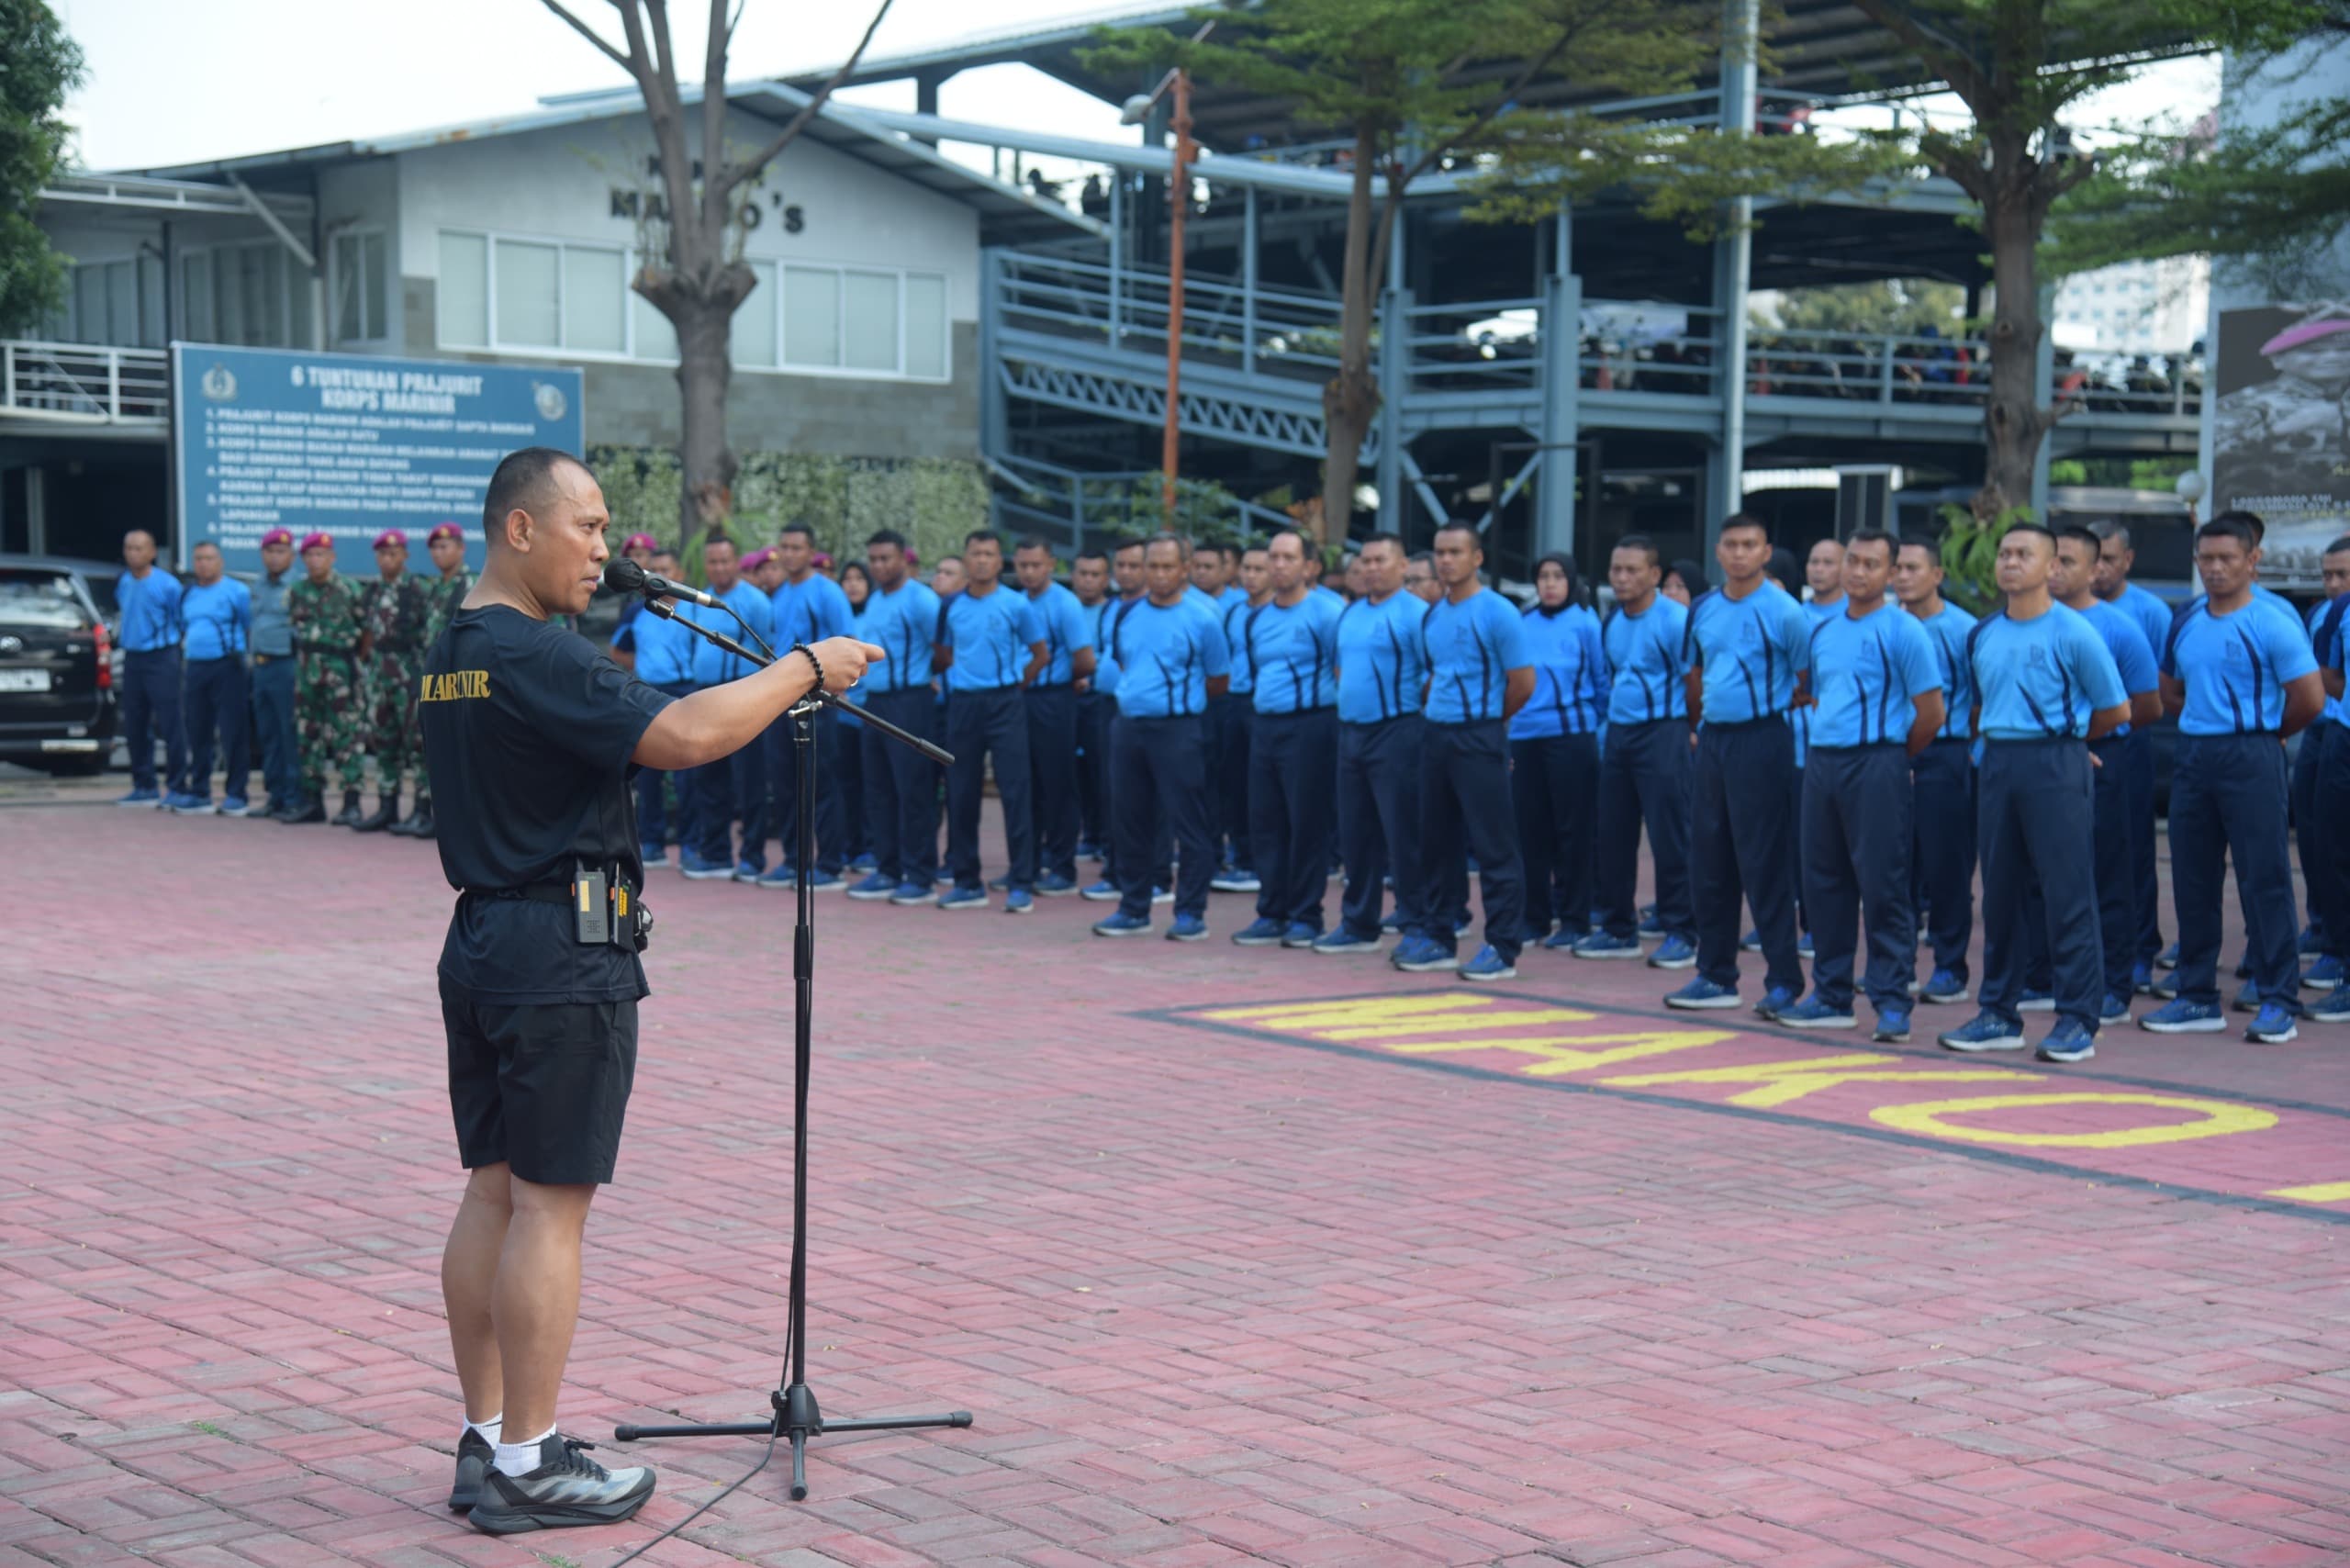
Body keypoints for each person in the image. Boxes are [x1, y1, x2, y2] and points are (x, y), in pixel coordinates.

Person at [419, 445, 878, 1536]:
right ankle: (530, 1463)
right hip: (558, 949)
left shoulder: (455, 646)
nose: (604, 549)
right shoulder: (536, 649)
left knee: (494, 1192)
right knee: (547, 1204)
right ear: (519, 529)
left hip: (484, 936)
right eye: (586, 526)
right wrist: (804, 668)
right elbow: (684, 734)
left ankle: (487, 1439)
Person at [1938, 524, 2130, 1062]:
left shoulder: (2074, 632)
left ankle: (2078, 1019)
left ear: (2052, 568)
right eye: (2005, 553)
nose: (2010, 562)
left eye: (2024, 554)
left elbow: (2116, 709)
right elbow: (1981, 704)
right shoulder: (1982, 633)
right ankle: (1999, 1012)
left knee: (2067, 893)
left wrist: (2069, 744)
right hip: (1998, 761)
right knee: (2000, 892)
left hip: (2056, 763)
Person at [2140, 513, 2326, 1045]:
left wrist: (2265, 733)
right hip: (2195, 756)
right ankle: (2197, 995)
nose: (2215, 568)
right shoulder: (2187, 619)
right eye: (2207, 559)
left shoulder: (2273, 621)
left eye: (2227, 558)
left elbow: (2309, 699)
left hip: (2252, 754)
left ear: (2252, 560)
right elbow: (2168, 690)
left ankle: (2278, 1000)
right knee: (2193, 877)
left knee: (2263, 878)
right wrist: (2209, 721)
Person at [1774, 530, 1943, 1037]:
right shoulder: (1822, 631)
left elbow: (1931, 713)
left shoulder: (1904, 630)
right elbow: (1818, 694)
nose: (1859, 571)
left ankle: (1892, 1001)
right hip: (1822, 764)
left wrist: (1891, 757)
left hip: (1877, 763)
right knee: (1823, 882)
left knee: (1883, 884)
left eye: (1872, 564)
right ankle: (1831, 995)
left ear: (1890, 574)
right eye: (1853, 560)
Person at [1671, 513, 1810, 1010]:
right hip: (1713, 741)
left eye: (1750, 545)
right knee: (1709, 859)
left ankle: (1784, 980)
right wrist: (1701, 725)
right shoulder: (1703, 607)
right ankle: (1715, 975)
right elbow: (1695, 672)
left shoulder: (1786, 611)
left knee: (1764, 863)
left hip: (1763, 740)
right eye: (1731, 544)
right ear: (1718, 551)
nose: (1739, 553)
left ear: (1766, 553)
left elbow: (1807, 679)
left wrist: (1766, 708)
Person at [1401, 522, 1536, 980]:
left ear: (1477, 558)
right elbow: (1436, 674)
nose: (1445, 560)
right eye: (1440, 552)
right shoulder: (1433, 615)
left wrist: (1489, 724)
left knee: (1494, 844)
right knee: (1436, 842)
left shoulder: (1499, 612)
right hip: (1435, 736)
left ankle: (1502, 946)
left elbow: (1523, 683)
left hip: (1479, 735)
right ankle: (1439, 936)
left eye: (1455, 552)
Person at [2051, 526, 2165, 1027]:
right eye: (2050, 560)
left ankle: (2116, 981)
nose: (2055, 570)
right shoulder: (2021, 623)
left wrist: (2087, 739)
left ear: (2094, 568)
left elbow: (2147, 705)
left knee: (2111, 868)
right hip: (2043, 760)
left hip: (2108, 755)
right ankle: (2045, 975)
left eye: (2067, 561)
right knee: (2044, 871)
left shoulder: (2119, 627)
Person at [1092, 534, 1230, 940]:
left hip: (1178, 730)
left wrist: (1178, 704)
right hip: (1128, 727)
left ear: (1184, 569)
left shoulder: (1203, 618)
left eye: (1168, 566)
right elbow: (1126, 664)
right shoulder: (1125, 614)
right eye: (1152, 566)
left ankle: (1190, 913)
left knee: (1188, 822)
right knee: (1129, 820)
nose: (1159, 574)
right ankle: (1133, 908)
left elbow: (1219, 679)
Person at [1576, 536, 1694, 965]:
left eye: (1632, 570)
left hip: (1664, 732)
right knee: (1613, 834)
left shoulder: (1675, 620)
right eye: (1616, 569)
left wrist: (1690, 730)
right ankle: (1618, 928)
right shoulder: (1612, 620)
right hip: (1620, 735)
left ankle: (1682, 930)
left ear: (1654, 575)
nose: (1621, 578)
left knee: (1670, 836)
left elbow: (1694, 680)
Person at [1230, 529, 1340, 948]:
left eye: (1287, 558)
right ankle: (1271, 911)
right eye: (1272, 557)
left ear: (1308, 566)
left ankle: (1306, 915)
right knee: (1265, 821)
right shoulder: (1255, 618)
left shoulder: (1326, 613)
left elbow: (1339, 671)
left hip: (1310, 726)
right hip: (1264, 725)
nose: (1277, 565)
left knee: (1306, 821)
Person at [1326, 535, 1432, 951]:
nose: (1371, 568)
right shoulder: (1350, 613)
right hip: (1351, 733)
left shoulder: (1416, 613)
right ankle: (1359, 923)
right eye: (1365, 561)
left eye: (1380, 560)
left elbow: (1433, 673)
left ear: (1402, 565)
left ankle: (1417, 922)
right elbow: (1340, 668)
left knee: (1404, 834)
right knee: (1356, 834)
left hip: (1398, 732)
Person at [936, 529, 1049, 912]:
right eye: (976, 554)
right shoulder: (952, 606)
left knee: (1016, 791)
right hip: (964, 704)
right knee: (961, 791)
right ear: (966, 559)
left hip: (1006, 702)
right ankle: (966, 881)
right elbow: (944, 653)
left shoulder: (1016, 605)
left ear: (1000, 562)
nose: (982, 560)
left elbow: (1040, 654)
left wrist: (1016, 685)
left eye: (989, 554)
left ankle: (1021, 881)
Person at [2090, 520, 2177, 988]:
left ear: (2127, 560)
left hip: (2130, 739)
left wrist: (2122, 730)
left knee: (2133, 847)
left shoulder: (2150, 612)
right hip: (2074, 745)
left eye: (2108, 559)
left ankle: (2141, 948)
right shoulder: (2062, 611)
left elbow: (2160, 688)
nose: (2099, 568)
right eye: (2093, 559)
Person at [1893, 537, 1978, 1004]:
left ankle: (1950, 967)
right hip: (1892, 755)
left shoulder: (1963, 630)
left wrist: (1969, 751)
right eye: (1897, 568)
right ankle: (1898, 964)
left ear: (1937, 575)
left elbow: (1979, 698)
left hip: (1946, 755)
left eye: (1913, 568)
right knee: (1895, 866)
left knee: (1947, 867)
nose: (1903, 577)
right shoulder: (1888, 624)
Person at [1509, 553, 1606, 953]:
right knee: (1530, 832)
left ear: (1572, 580)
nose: (1549, 584)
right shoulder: (1522, 623)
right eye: (1543, 576)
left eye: (1557, 576)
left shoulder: (1586, 623)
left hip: (1571, 737)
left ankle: (1575, 919)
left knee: (1574, 831)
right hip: (1524, 737)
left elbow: (1601, 682)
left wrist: (1591, 726)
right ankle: (1534, 917)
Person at [845, 531, 945, 904]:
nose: (879, 565)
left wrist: (926, 680)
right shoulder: (874, 600)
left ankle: (920, 875)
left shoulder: (922, 600)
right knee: (878, 789)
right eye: (874, 559)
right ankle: (887, 869)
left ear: (903, 558)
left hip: (911, 700)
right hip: (875, 702)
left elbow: (943, 652)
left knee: (913, 789)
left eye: (886, 558)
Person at [674, 536, 776, 881]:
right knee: (708, 777)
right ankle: (715, 853)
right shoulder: (699, 600)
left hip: (743, 695)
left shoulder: (755, 601)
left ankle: (752, 857)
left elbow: (768, 650)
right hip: (705, 695)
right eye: (713, 562)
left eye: (724, 561)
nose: (718, 568)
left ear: (736, 561)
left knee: (749, 780)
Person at [762, 523, 857, 890]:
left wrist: (837, 691)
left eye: (796, 547)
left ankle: (830, 865)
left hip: (818, 701)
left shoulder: (827, 592)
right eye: (784, 547)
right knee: (786, 785)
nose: (789, 554)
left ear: (811, 552)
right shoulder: (780, 593)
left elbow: (848, 643)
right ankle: (793, 862)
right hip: (781, 698)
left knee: (822, 785)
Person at [1015, 535, 1096, 896]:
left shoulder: (1065, 604)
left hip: (1055, 699)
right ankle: (1028, 865)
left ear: (1051, 564)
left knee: (1058, 783)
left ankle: (1063, 867)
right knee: (1026, 784)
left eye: (1036, 565)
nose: (1029, 572)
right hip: (1021, 699)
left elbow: (1086, 661)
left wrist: (1061, 680)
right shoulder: (1016, 602)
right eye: (1023, 565)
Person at [390, 521, 478, 839]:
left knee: (458, 749)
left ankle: (454, 819)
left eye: (445, 546)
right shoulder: (433, 589)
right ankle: (423, 811)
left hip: (458, 680)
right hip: (430, 678)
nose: (439, 553)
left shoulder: (472, 586)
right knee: (424, 745)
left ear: (461, 548)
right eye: (435, 548)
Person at [352, 530, 435, 833]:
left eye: (393, 553)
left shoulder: (418, 589)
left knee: (417, 744)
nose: (387, 559)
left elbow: (429, 634)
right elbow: (367, 633)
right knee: (383, 742)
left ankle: (422, 810)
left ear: (404, 555)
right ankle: (387, 808)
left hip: (410, 676)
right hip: (379, 677)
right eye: (382, 554)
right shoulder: (372, 591)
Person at [285, 532, 369, 826]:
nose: (315, 560)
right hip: (308, 672)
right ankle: (313, 802)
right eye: (310, 555)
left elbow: (367, 631)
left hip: (341, 672)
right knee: (308, 737)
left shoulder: (350, 589)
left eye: (321, 555)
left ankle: (351, 803)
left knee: (347, 735)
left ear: (332, 558)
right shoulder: (297, 591)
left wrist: (355, 662)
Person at [173, 541, 253, 815]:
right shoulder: (188, 594)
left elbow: (248, 624)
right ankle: (200, 792)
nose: (203, 564)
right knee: (197, 730)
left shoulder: (237, 591)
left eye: (209, 558)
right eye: (198, 559)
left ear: (220, 562)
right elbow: (183, 626)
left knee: (233, 730)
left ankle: (237, 793)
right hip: (196, 666)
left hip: (228, 665)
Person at [1210, 546, 1271, 895]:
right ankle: (1242, 855)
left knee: (1264, 786)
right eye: (1246, 568)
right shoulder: (1234, 612)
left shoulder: (1281, 612)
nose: (1251, 576)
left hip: (1266, 705)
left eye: (1259, 569)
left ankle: (1262, 860)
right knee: (1233, 782)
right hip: (1234, 702)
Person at [2306, 547, 2350, 1024]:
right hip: (2345, 739)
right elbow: (2330, 676)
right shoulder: (2340, 611)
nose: (2335, 582)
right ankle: (2343, 963)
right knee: (2336, 853)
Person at [113, 528, 185, 808]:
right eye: (128, 548)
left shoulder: (168, 585)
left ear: (152, 552)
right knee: (135, 723)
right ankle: (144, 785)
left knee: (170, 723)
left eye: (139, 548)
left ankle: (178, 786)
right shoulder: (124, 582)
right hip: (133, 658)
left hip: (161, 657)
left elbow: (180, 619)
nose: (133, 553)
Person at [250, 528, 302, 819]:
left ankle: (294, 796)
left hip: (286, 665)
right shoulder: (258, 585)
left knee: (288, 733)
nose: (274, 557)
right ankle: (275, 795)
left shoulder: (298, 586)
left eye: (280, 552)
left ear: (291, 556)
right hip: (261, 666)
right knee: (267, 733)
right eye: (269, 551)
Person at [1069, 549, 1112, 865]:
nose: (1088, 580)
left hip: (1099, 700)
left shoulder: (1114, 611)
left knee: (1103, 769)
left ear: (1106, 579)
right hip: (1069, 698)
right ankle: (1088, 834)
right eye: (1083, 573)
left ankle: (1105, 836)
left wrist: (1091, 677)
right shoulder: (1067, 608)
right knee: (1076, 770)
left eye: (1095, 574)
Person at [834, 559, 875, 873]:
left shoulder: (875, 613)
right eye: (847, 578)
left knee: (872, 782)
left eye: (859, 578)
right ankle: (852, 845)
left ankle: (872, 847)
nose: (853, 584)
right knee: (847, 782)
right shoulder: (838, 618)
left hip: (873, 710)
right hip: (843, 713)